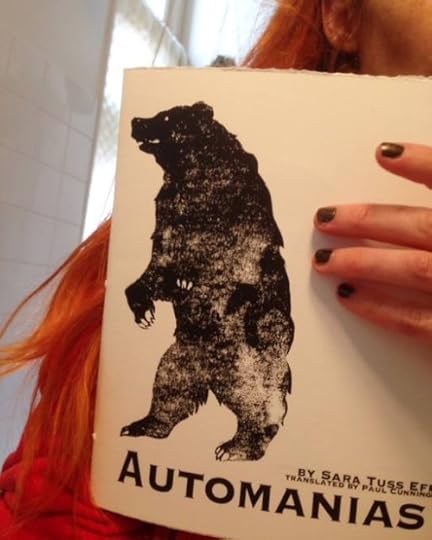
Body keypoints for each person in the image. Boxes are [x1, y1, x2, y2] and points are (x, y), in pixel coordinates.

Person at [0, 1, 431, 538]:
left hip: (248, 325)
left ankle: (253, 432)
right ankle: (165, 422)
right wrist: (148, 286)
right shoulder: (179, 194)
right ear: (344, 15)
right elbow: (42, 504)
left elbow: (252, 253)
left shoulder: (235, 183)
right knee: (175, 374)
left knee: (248, 381)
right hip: (200, 333)